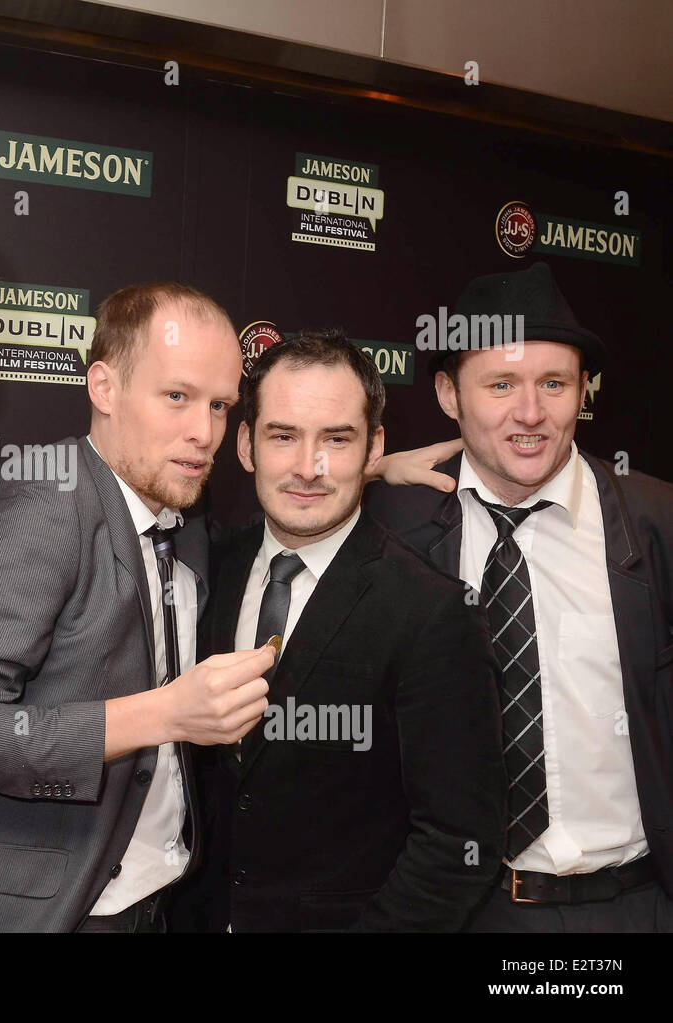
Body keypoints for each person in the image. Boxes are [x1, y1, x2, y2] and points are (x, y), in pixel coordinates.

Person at [0, 282, 274, 932]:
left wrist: (369, 479)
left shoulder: (177, 508)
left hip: (157, 903)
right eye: (177, 397)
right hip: (49, 913)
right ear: (103, 387)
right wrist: (165, 712)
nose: (204, 431)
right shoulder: (44, 505)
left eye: (220, 405)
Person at [364, 262, 673, 931]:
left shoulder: (658, 525)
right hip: (467, 911)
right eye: (500, 384)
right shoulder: (392, 526)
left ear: (583, 389)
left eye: (554, 384)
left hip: (637, 905)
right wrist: (364, 468)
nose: (530, 413)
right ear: (449, 393)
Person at [178, 329, 505, 931]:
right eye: (283, 436)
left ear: (373, 447)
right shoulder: (206, 569)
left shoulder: (432, 611)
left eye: (337, 438)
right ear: (246, 444)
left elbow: (459, 843)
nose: (309, 467)